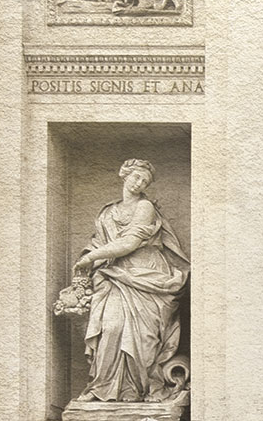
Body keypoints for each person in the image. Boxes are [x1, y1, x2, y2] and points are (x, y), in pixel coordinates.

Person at [72, 159, 189, 403]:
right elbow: (99, 242)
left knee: (144, 338)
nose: (139, 183)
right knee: (111, 327)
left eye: (145, 181)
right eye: (136, 177)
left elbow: (130, 242)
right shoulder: (107, 212)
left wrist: (91, 257)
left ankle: (137, 390)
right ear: (123, 174)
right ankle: (102, 387)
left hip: (146, 275)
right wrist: (90, 257)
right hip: (114, 276)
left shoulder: (145, 207)